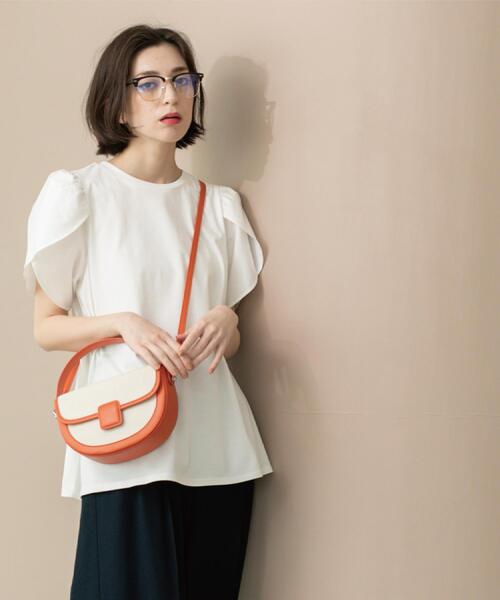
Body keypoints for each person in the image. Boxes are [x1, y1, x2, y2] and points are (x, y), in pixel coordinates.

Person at [23, 23, 273, 600]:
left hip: (217, 442)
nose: (170, 96)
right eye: (149, 83)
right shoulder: (80, 194)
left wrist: (229, 323)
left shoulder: (219, 207)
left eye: (183, 80)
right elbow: (46, 328)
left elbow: (224, 341)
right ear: (117, 101)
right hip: (126, 436)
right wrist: (122, 323)